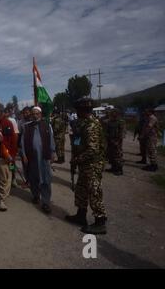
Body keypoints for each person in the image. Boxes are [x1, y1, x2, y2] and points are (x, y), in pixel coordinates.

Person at [66, 98, 107, 234]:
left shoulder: (92, 125)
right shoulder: (82, 123)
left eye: (78, 110)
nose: (77, 113)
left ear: (84, 110)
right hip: (84, 164)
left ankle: (100, 222)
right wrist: (75, 156)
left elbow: (92, 150)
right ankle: (81, 215)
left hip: (93, 164)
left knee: (94, 191)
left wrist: (77, 159)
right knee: (81, 189)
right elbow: (78, 141)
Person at [21, 106, 55, 214]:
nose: (35, 115)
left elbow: (51, 140)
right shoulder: (26, 127)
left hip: (44, 157)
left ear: (40, 114)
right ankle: (36, 195)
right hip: (32, 157)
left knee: (45, 179)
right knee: (33, 177)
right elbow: (22, 143)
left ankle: (46, 202)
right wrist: (24, 155)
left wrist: (52, 152)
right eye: (33, 114)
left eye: (37, 113)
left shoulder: (47, 125)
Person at [0, 104, 18, 211]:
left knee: (9, 174)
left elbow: (12, 140)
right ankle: (2, 199)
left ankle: (5, 195)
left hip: (9, 156)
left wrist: (12, 155)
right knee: (4, 178)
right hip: (2, 157)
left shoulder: (7, 123)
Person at [104, 109, 125, 175]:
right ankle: (113, 168)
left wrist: (117, 141)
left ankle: (119, 170)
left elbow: (122, 133)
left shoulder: (120, 122)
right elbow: (106, 131)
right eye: (112, 113)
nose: (112, 114)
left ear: (117, 114)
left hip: (117, 141)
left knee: (117, 156)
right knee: (111, 155)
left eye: (114, 113)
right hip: (110, 141)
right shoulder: (109, 122)